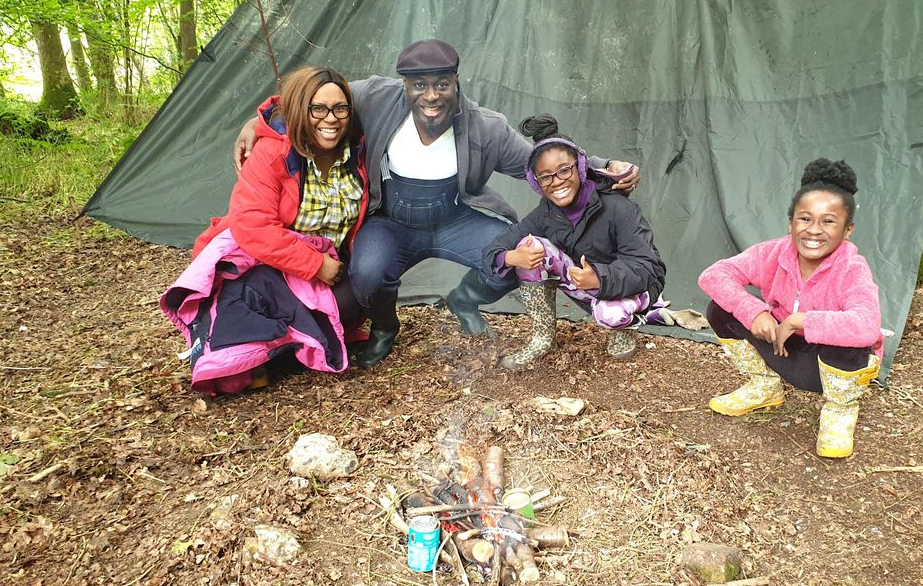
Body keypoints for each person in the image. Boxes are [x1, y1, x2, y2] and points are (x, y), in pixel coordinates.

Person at [233, 40, 640, 368]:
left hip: (454, 217)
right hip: (391, 219)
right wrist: (258, 122)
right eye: (419, 85)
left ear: (456, 82)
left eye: (441, 84)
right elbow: (309, 101)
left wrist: (606, 169)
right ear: (404, 84)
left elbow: (540, 157)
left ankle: (464, 298)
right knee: (368, 273)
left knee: (516, 258)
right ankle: (384, 330)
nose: (431, 96)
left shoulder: (484, 125)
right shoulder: (374, 96)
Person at [161, 66, 369, 393]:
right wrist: (316, 265)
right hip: (269, 260)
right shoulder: (274, 153)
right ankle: (257, 352)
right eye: (318, 108)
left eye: (340, 108)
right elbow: (253, 225)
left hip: (326, 261)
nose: (331, 118)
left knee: (355, 300)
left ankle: (288, 345)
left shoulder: (355, 151)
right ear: (301, 109)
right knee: (256, 291)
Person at [697, 158, 882, 459]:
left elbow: (867, 325)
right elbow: (713, 275)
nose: (814, 231)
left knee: (851, 339)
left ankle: (839, 412)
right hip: (781, 349)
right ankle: (764, 386)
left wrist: (801, 320)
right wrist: (753, 311)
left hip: (826, 367)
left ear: (847, 230)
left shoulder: (852, 268)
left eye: (828, 221)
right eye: (805, 219)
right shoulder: (773, 253)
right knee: (720, 309)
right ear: (791, 223)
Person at [483, 115, 666, 368]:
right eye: (545, 176)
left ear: (580, 167)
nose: (556, 181)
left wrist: (600, 277)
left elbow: (647, 267)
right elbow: (495, 248)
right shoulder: (545, 214)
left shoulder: (618, 208)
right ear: (536, 183)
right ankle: (542, 338)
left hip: (631, 286)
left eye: (564, 170)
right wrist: (511, 257)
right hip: (584, 284)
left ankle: (626, 330)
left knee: (610, 314)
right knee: (529, 246)